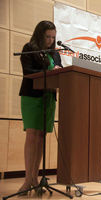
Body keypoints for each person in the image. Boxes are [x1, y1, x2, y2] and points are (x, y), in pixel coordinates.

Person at [18, 20, 63, 195]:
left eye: (53, 37)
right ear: (40, 34)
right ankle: (27, 180)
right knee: (31, 137)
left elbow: (60, 71)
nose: (51, 40)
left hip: (49, 96)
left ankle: (36, 179)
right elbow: (27, 72)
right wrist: (48, 69)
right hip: (32, 96)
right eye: (47, 36)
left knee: (41, 138)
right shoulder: (30, 48)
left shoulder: (55, 53)